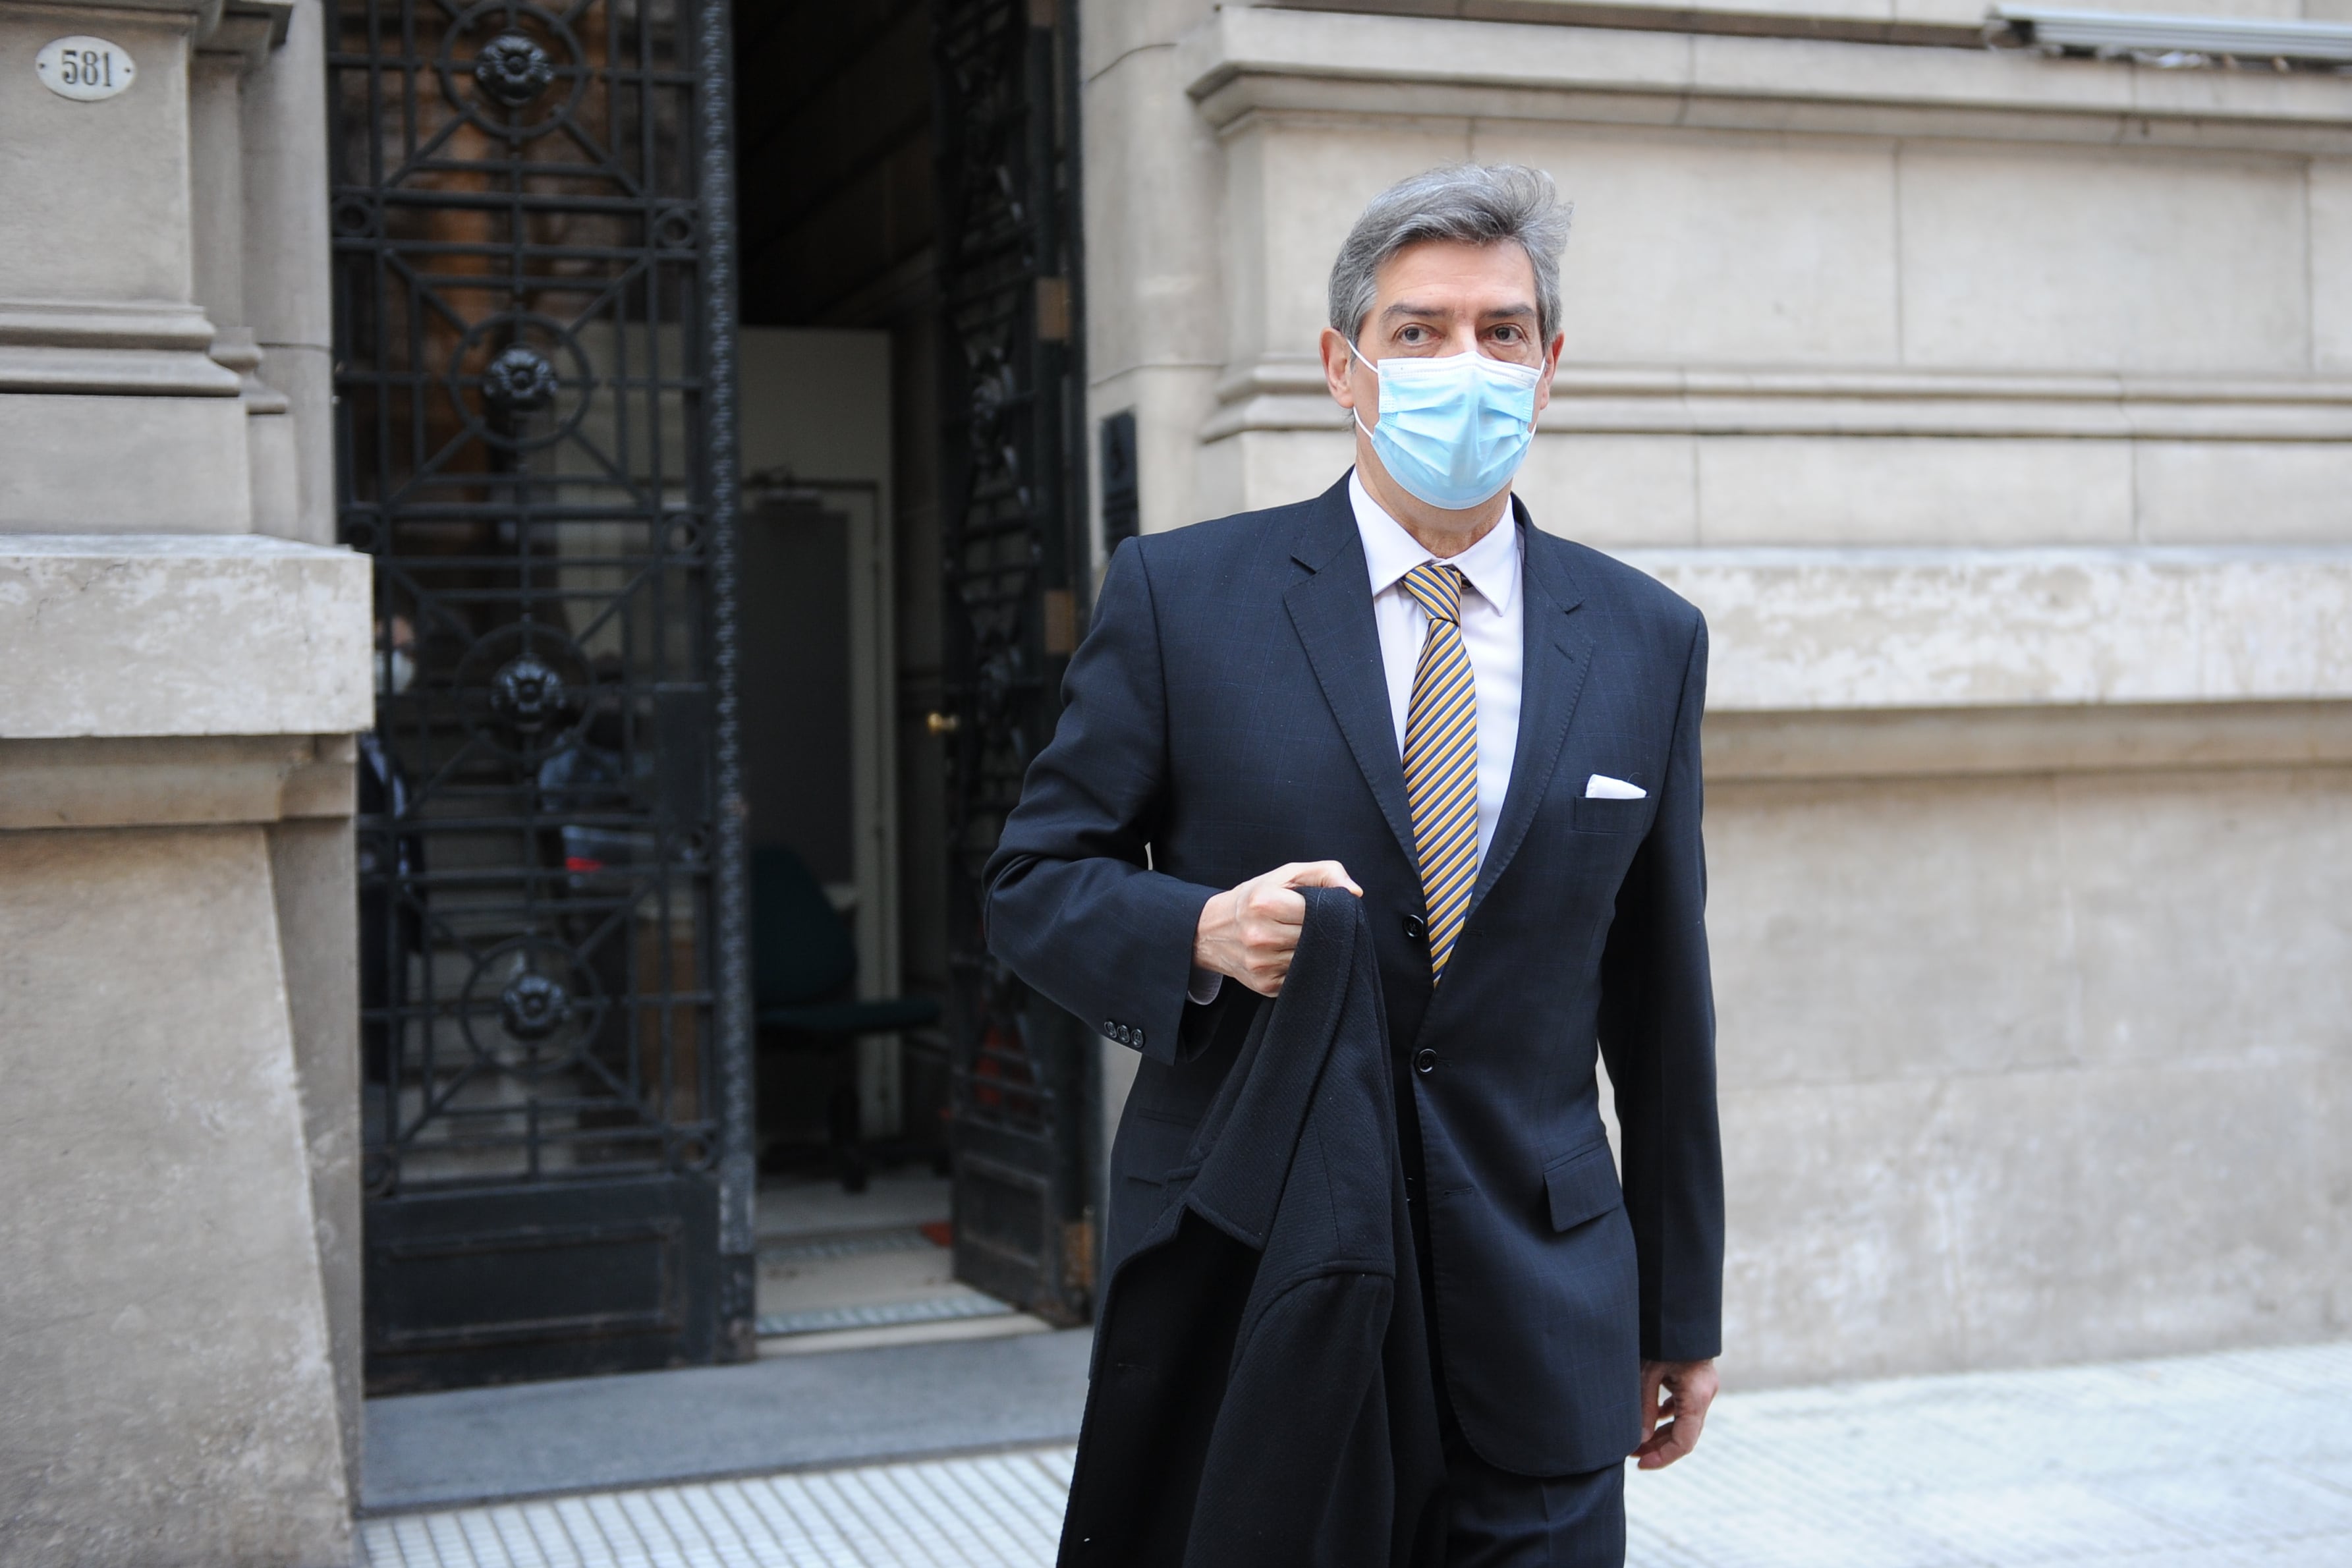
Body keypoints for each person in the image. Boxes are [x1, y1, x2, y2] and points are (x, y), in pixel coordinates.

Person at [986, 164, 1723, 1565]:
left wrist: (1682, 1308)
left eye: (1503, 332)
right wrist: (1198, 925)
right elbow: (1033, 882)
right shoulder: (1183, 597)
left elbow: (1662, 1005)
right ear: (1343, 365)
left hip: (1546, 1310)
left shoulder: (1645, 637)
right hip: (1266, 1285)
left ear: (1551, 368)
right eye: (1419, 329)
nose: (1467, 364)